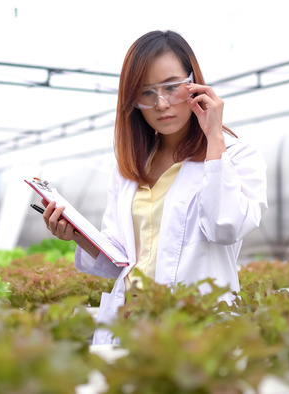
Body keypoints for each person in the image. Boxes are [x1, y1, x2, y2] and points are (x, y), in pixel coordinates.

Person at [41, 30, 267, 345]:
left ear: (194, 84)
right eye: (146, 93)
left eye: (172, 87)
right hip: (129, 328)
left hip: (195, 332)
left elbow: (224, 226)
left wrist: (214, 136)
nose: (161, 104)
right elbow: (120, 261)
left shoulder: (236, 156)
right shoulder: (130, 167)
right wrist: (77, 234)